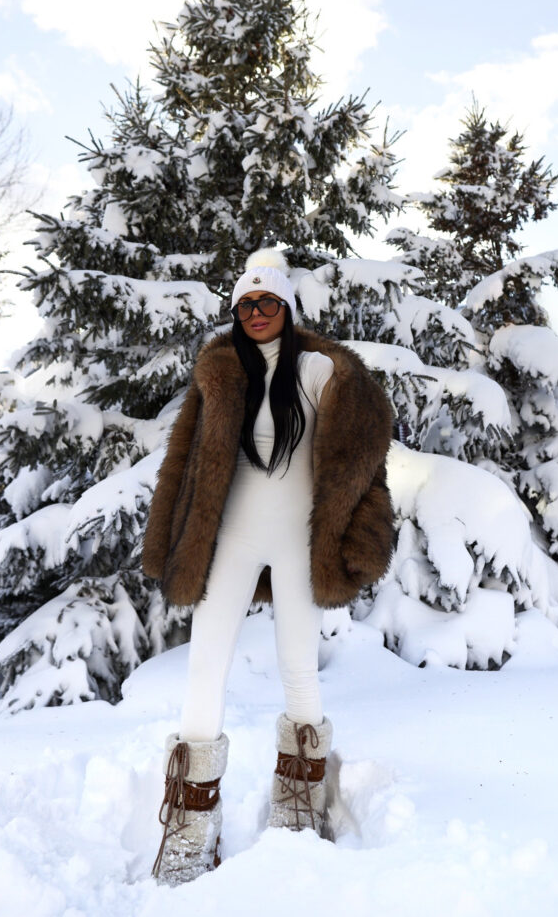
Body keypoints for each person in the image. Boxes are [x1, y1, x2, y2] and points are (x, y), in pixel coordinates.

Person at [142, 249, 394, 886]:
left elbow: (363, 428)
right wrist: (168, 533)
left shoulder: (313, 369)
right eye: (246, 304)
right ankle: (190, 819)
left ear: (287, 308)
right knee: (205, 664)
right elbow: (187, 459)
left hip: (294, 543)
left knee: (297, 666)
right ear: (235, 311)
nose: (257, 313)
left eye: (269, 302)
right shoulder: (220, 372)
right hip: (228, 540)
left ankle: (299, 800)